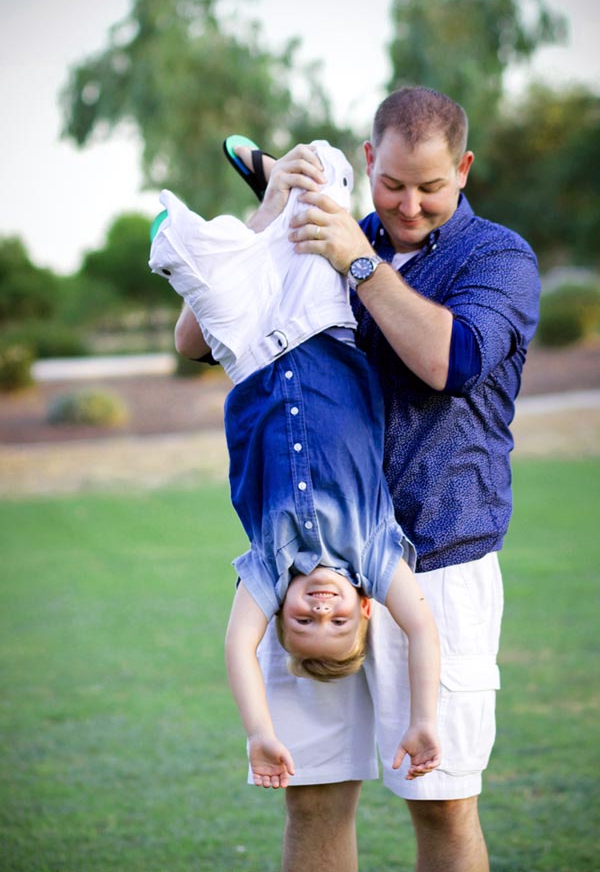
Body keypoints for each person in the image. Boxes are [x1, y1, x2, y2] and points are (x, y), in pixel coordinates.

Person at [175, 86, 540, 872]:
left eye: (432, 187)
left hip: (438, 566)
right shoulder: (330, 229)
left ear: (465, 170)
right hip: (311, 579)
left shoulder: (497, 257)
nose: (409, 204)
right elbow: (199, 340)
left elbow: (454, 361)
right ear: (369, 162)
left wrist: (359, 261)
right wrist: (271, 215)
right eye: (394, 183)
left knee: (442, 804)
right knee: (311, 796)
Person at [148, 140, 441, 791]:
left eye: (304, 624)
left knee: (197, 269)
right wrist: (422, 717)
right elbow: (420, 626)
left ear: (282, 615)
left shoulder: (268, 568)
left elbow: (237, 649)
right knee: (324, 175)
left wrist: (260, 731)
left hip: (250, 355)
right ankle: (280, 183)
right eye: (337, 622)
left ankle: (192, 236)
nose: (320, 610)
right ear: (365, 609)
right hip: (320, 330)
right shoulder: (373, 553)